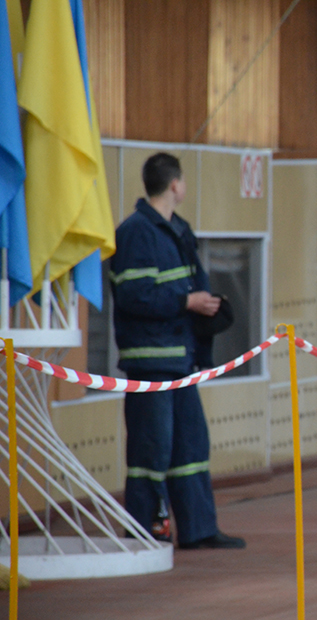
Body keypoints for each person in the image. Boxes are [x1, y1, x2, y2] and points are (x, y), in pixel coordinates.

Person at [109, 152, 245, 550]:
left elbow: (187, 287)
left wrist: (208, 306)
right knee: (151, 448)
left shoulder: (178, 230)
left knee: (191, 445)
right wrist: (187, 302)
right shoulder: (136, 232)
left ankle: (199, 528)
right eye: (183, 181)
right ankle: (143, 529)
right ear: (174, 185)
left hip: (182, 359)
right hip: (150, 362)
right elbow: (133, 294)